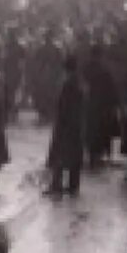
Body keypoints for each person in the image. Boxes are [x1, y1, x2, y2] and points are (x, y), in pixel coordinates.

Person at [45, 54, 88, 197]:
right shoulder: (80, 83)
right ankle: (73, 186)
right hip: (77, 125)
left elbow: (63, 106)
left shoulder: (68, 84)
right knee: (74, 157)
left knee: (60, 155)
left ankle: (56, 185)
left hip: (66, 125)